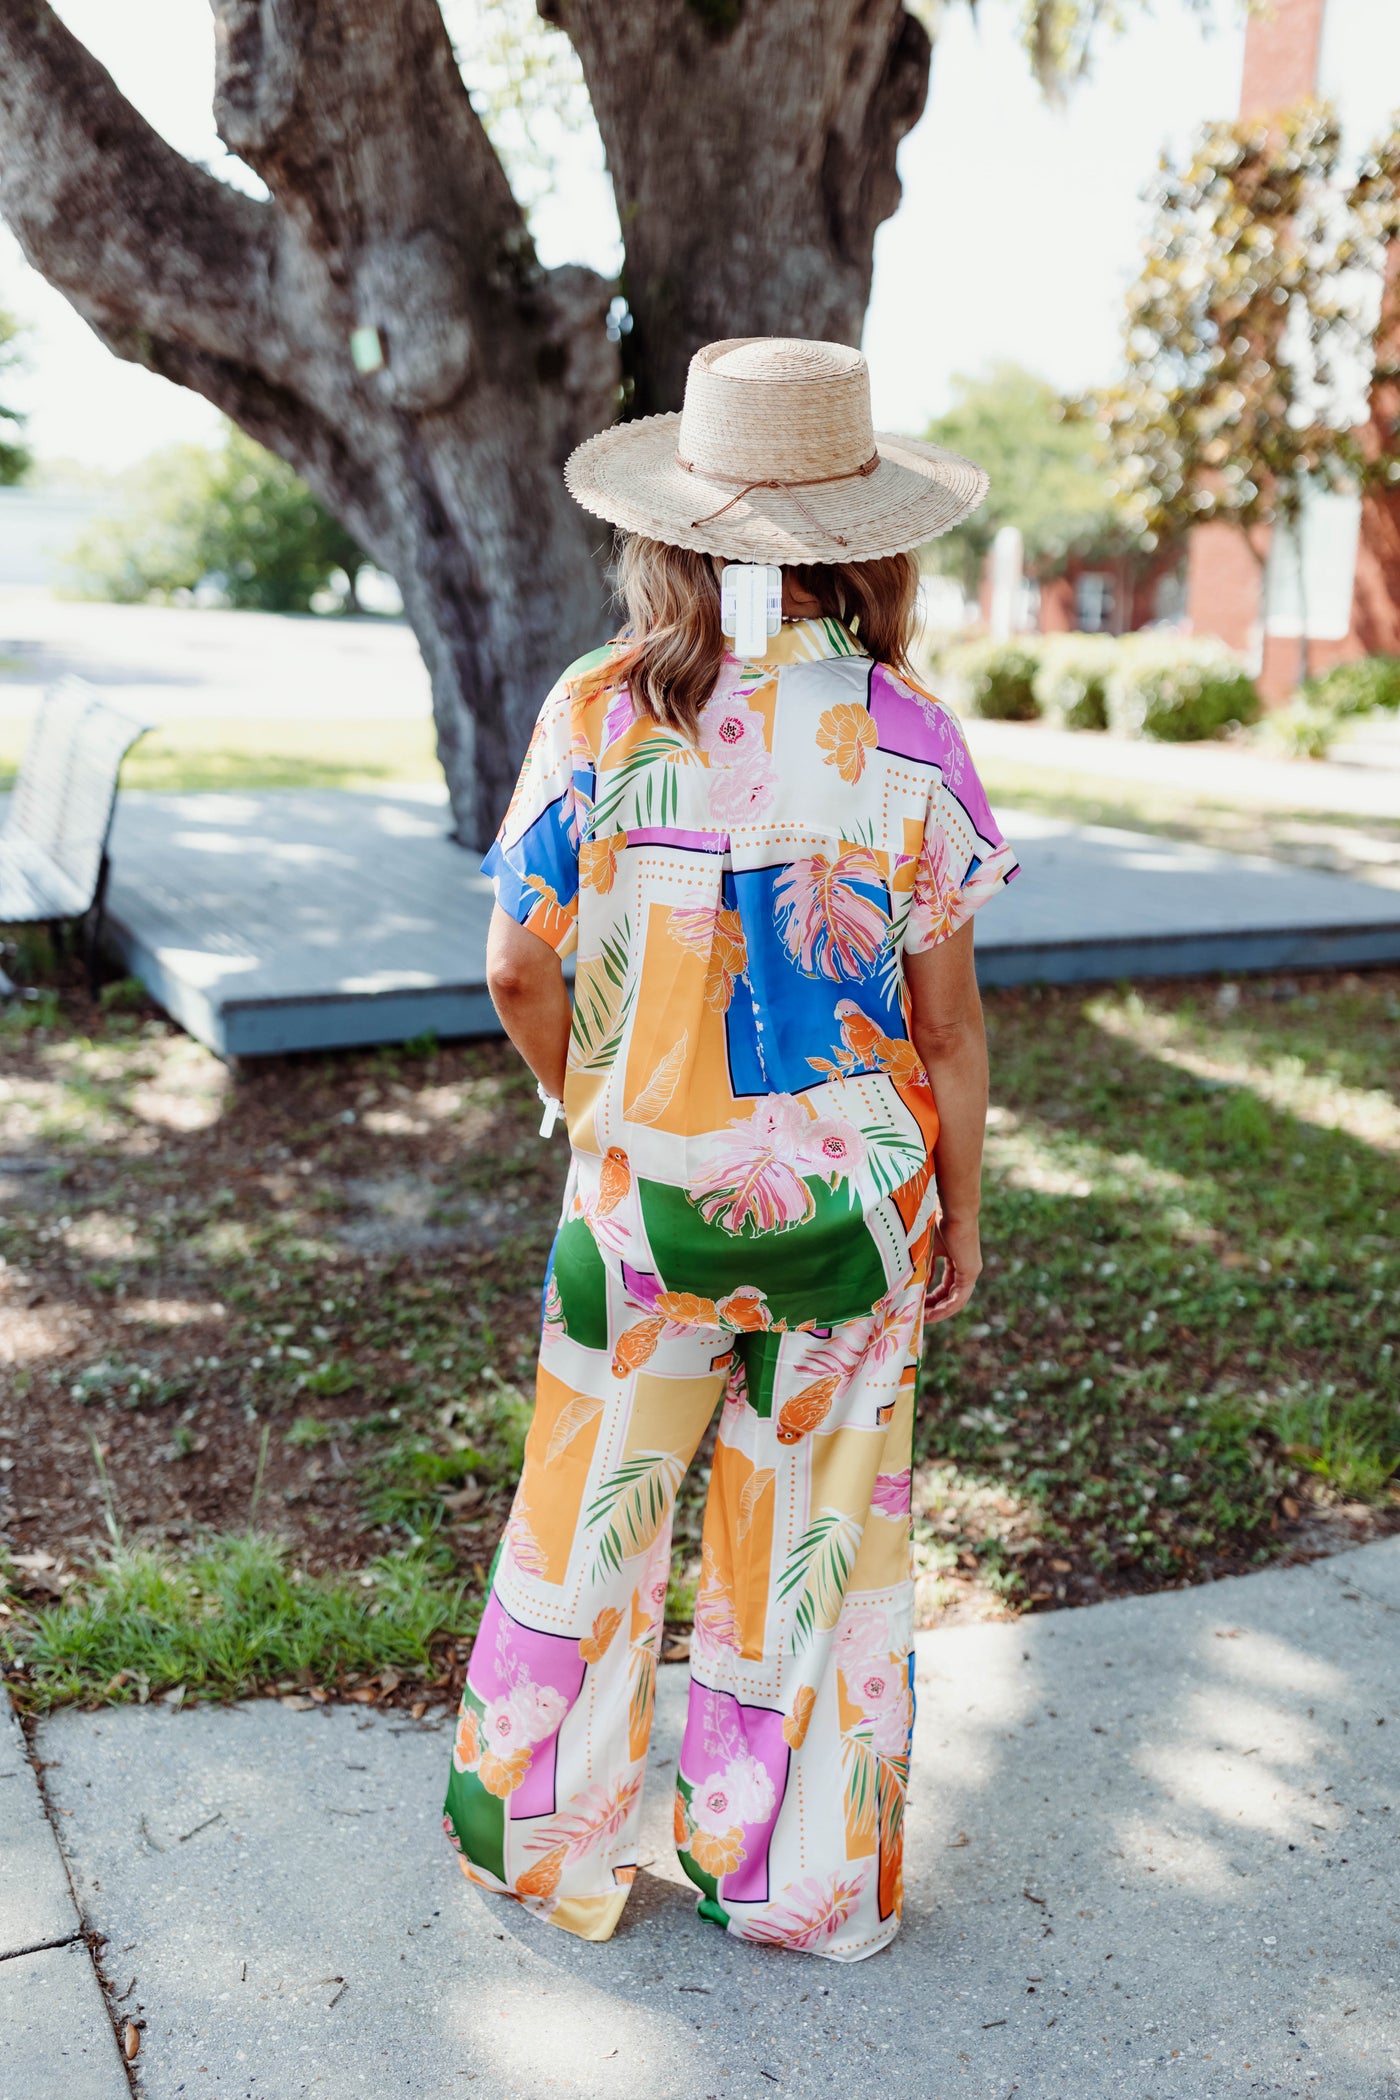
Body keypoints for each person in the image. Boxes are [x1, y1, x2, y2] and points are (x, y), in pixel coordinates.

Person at [443, 336, 1019, 1961]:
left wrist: (596, 1102)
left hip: (635, 1214)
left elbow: (513, 965)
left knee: (589, 1519)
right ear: (868, 537)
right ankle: (796, 1882)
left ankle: (543, 1844)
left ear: (671, 529)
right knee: (818, 1548)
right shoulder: (912, 739)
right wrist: (959, 1214)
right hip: (853, 1219)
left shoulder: (598, 712)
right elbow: (952, 1028)